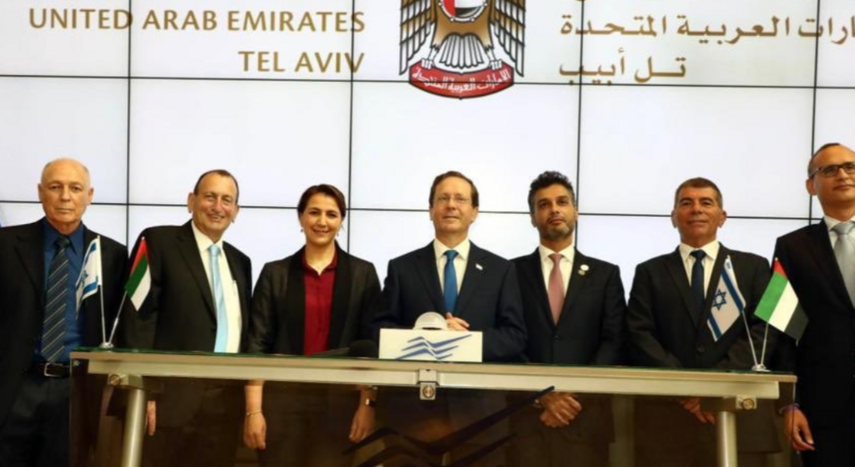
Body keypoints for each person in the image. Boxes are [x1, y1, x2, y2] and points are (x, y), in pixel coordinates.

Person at [372, 171, 526, 465]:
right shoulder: (402, 268)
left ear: (474, 212)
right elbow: (380, 331)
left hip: (481, 412)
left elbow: (515, 336)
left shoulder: (500, 269)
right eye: (443, 198)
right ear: (430, 210)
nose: (451, 205)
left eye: (460, 199)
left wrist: (465, 342)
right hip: (412, 414)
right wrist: (430, 335)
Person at [627, 177, 778, 467]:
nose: (696, 209)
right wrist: (687, 387)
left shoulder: (754, 267)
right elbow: (639, 333)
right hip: (668, 420)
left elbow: (765, 331)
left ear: (722, 217)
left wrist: (712, 386)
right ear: (673, 217)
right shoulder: (649, 271)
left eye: (706, 202)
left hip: (738, 413)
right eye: (686, 203)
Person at [120, 169, 252, 467]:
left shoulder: (241, 262)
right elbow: (136, 318)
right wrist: (144, 391)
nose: (218, 206)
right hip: (167, 403)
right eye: (209, 196)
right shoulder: (156, 241)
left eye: (227, 200)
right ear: (191, 201)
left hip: (224, 405)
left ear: (236, 211)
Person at [0, 158, 127, 466]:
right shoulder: (5, 244)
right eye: (55, 187)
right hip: (15, 387)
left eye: (75, 188)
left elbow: (120, 326)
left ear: (90, 195)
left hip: (76, 391)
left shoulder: (111, 254)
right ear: (41, 192)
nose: (65, 196)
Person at [243, 184, 381, 466]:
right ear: (301, 218)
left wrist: (368, 405)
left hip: (340, 405)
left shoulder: (363, 274)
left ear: (341, 221)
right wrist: (253, 411)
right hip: (281, 405)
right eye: (314, 212)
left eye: (331, 214)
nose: (322, 221)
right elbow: (257, 344)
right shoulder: (275, 273)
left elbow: (372, 345)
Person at [508, 171, 626, 467]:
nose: (554, 210)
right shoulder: (510, 273)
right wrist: (543, 396)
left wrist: (571, 396)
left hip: (587, 418)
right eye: (544, 204)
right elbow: (508, 340)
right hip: (526, 422)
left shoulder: (605, 275)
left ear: (575, 211)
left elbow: (614, 341)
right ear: (533, 217)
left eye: (562, 202)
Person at [775, 142, 855, 466]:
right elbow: (780, 328)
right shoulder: (792, 247)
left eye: (850, 167)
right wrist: (789, 404)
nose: (843, 175)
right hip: (823, 407)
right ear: (811, 185)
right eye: (830, 169)